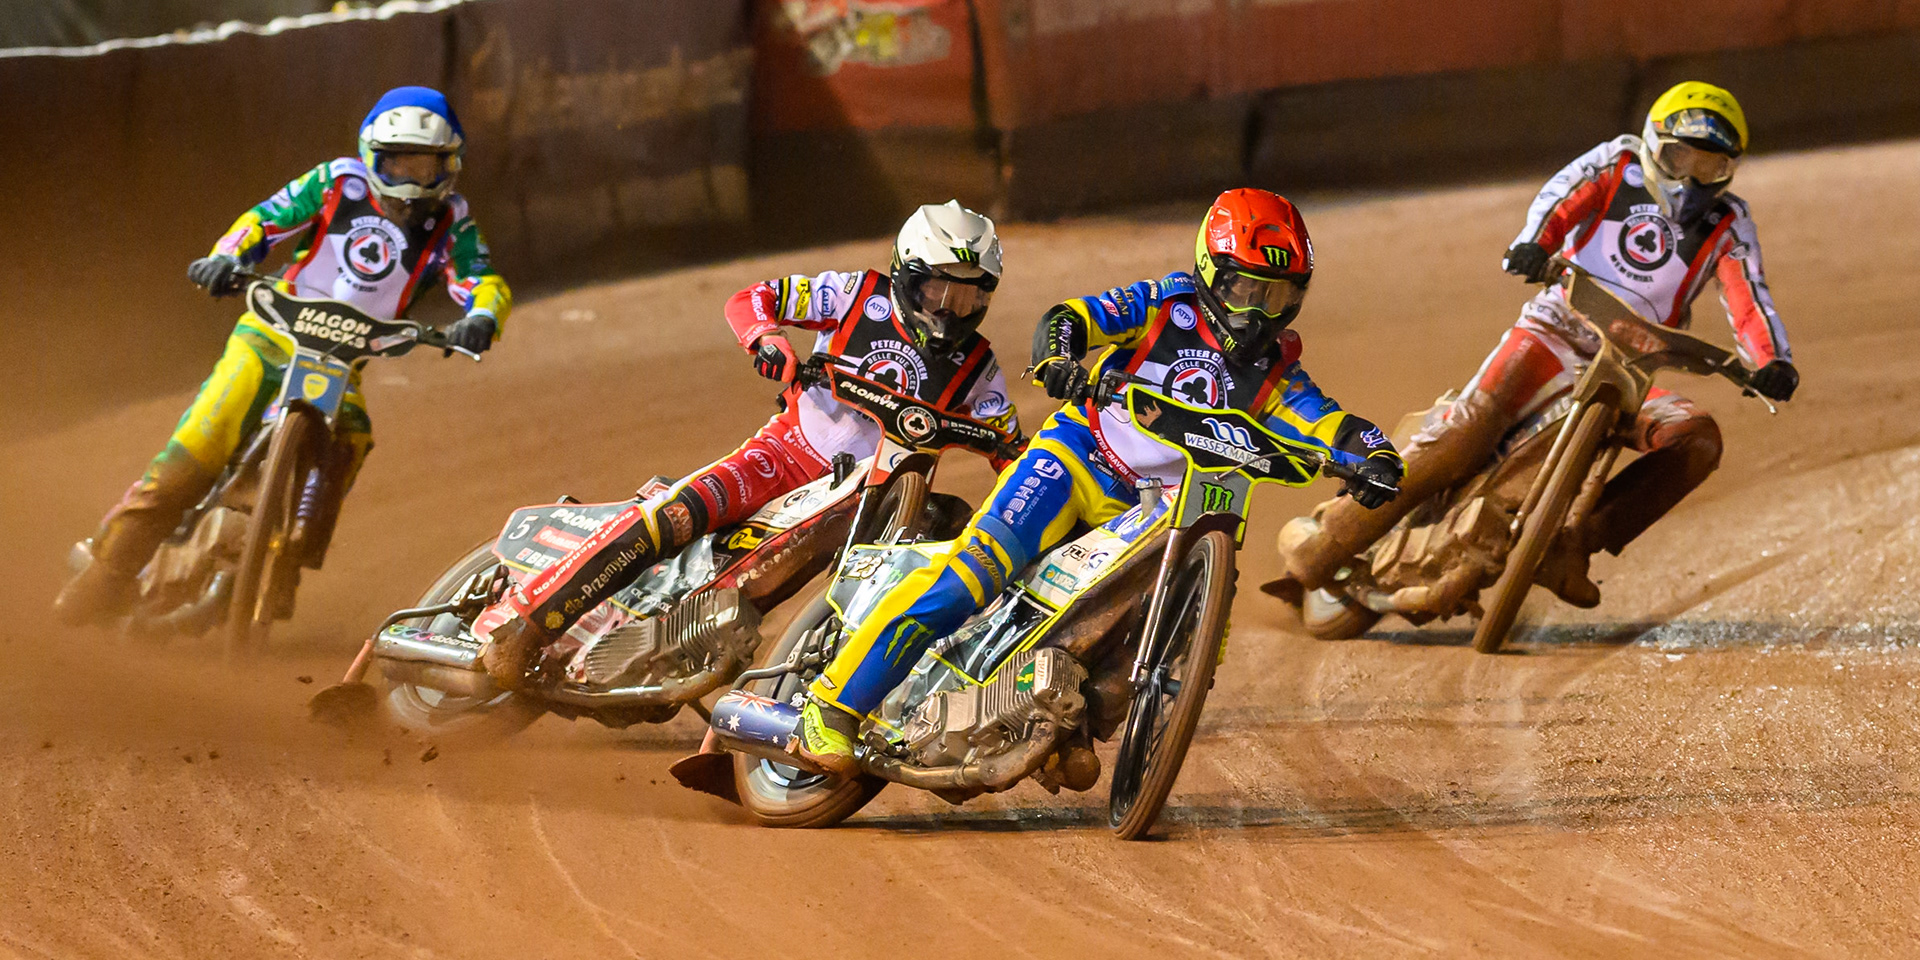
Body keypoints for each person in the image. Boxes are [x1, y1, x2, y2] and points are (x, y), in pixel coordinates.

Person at [790, 188, 1405, 775]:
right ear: (1211, 273)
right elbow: (1076, 318)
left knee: (1150, 642)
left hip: (1154, 511)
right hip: (1077, 458)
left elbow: (1331, 424)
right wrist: (1060, 358)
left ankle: (1048, 720)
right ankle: (832, 708)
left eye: (1275, 298)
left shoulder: (1277, 372)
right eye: (1245, 288)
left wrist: (1378, 457)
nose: (1256, 312)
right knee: (968, 581)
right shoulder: (1168, 304)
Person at [1275, 81, 1798, 608]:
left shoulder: (1729, 223)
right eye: (1679, 155)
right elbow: (1561, 198)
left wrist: (1772, 361)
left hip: (1632, 371)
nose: (1689, 179)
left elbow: (1748, 292)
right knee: (1468, 430)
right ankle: (1331, 539)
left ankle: (1571, 543)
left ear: (1729, 171)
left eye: (1709, 168)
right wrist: (1535, 243)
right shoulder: (1617, 164)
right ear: (1652, 142)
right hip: (1553, 331)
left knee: (1696, 437)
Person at [474, 200, 1025, 689]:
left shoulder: (981, 370)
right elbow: (753, 297)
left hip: (863, 503)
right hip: (782, 457)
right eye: (937, 289)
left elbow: (1016, 458)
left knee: (939, 528)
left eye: (969, 295)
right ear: (906, 275)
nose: (950, 308)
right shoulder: (856, 293)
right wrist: (766, 339)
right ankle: (526, 625)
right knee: (678, 515)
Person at [54, 86, 511, 625]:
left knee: (353, 438)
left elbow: (482, 279)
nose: (411, 181)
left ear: (449, 166)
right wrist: (226, 257)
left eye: (425, 166)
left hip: (343, 361)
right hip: (270, 336)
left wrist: (482, 318)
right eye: (399, 162)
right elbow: (266, 218)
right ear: (372, 156)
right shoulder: (337, 182)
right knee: (202, 440)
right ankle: (109, 571)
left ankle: (286, 559)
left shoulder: (452, 220)